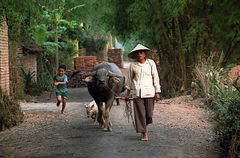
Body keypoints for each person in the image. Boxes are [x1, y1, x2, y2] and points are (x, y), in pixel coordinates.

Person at [125, 44, 161, 141]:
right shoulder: (132, 66)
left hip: (150, 92)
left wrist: (157, 92)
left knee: (149, 115)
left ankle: (145, 124)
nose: (139, 54)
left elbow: (155, 77)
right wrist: (127, 95)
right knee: (140, 113)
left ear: (144, 54)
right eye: (137, 53)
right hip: (137, 93)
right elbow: (129, 81)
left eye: (141, 52)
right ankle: (144, 133)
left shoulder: (151, 63)